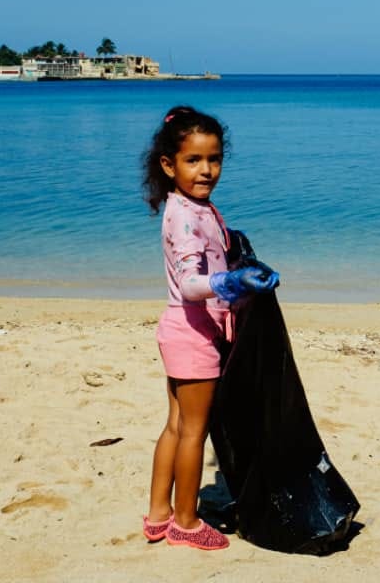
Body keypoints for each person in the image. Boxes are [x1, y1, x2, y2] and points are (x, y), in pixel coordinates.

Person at [141, 105, 280, 550]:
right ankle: (185, 521)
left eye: (214, 159)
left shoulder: (193, 206)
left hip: (178, 329)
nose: (206, 170)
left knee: (176, 425)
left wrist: (231, 249)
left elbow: (209, 247)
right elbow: (189, 282)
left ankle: (159, 514)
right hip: (194, 334)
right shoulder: (184, 216)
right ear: (168, 165)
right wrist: (227, 281)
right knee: (194, 432)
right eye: (193, 160)